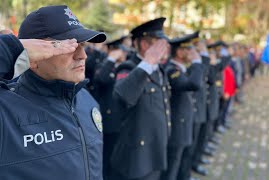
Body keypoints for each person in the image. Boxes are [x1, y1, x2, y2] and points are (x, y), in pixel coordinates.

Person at [0, 5, 107, 180]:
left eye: (82, 45)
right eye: (68, 46)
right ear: (33, 58)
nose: (82, 55)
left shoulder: (86, 99)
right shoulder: (6, 111)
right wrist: (11, 49)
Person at [110, 17, 171, 180]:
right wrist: (148, 61)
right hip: (137, 157)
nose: (166, 48)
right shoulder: (129, 67)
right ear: (145, 45)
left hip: (155, 149)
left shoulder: (159, 69)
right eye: (161, 44)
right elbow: (122, 95)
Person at [161, 34, 204, 180]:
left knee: (179, 163)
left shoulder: (180, 68)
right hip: (176, 128)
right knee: (171, 168)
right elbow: (194, 84)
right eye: (188, 50)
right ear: (179, 52)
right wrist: (197, 62)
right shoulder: (172, 70)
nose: (192, 53)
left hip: (183, 125)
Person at [93, 37, 129, 179]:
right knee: (107, 159)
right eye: (122, 51)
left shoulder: (124, 66)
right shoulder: (105, 65)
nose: (125, 54)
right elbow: (101, 78)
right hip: (109, 122)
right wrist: (111, 58)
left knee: (118, 159)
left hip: (122, 121)